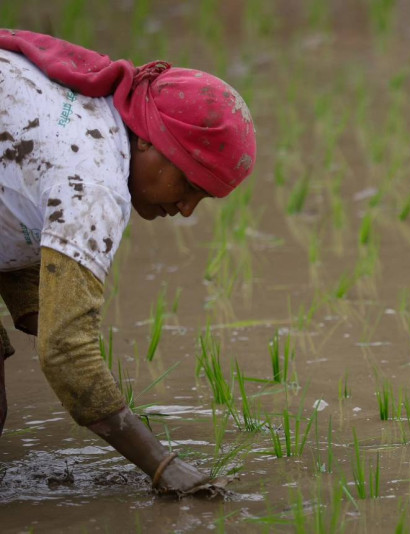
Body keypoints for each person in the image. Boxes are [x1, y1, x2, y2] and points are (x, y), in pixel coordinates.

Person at [0, 29, 257, 495]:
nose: (185, 210)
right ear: (148, 143)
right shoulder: (96, 183)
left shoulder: (87, 102)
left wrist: (43, 309)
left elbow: (12, 196)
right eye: (190, 185)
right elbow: (65, 353)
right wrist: (161, 467)